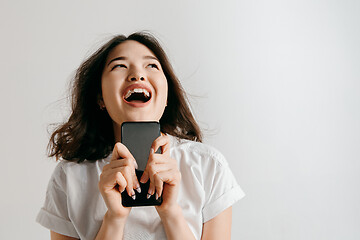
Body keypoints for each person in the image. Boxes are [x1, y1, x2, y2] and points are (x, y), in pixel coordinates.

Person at [36, 32, 245, 240]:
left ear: (166, 96)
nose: (137, 74)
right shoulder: (68, 177)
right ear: (100, 97)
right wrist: (114, 218)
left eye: (152, 66)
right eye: (119, 66)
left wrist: (170, 213)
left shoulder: (208, 166)